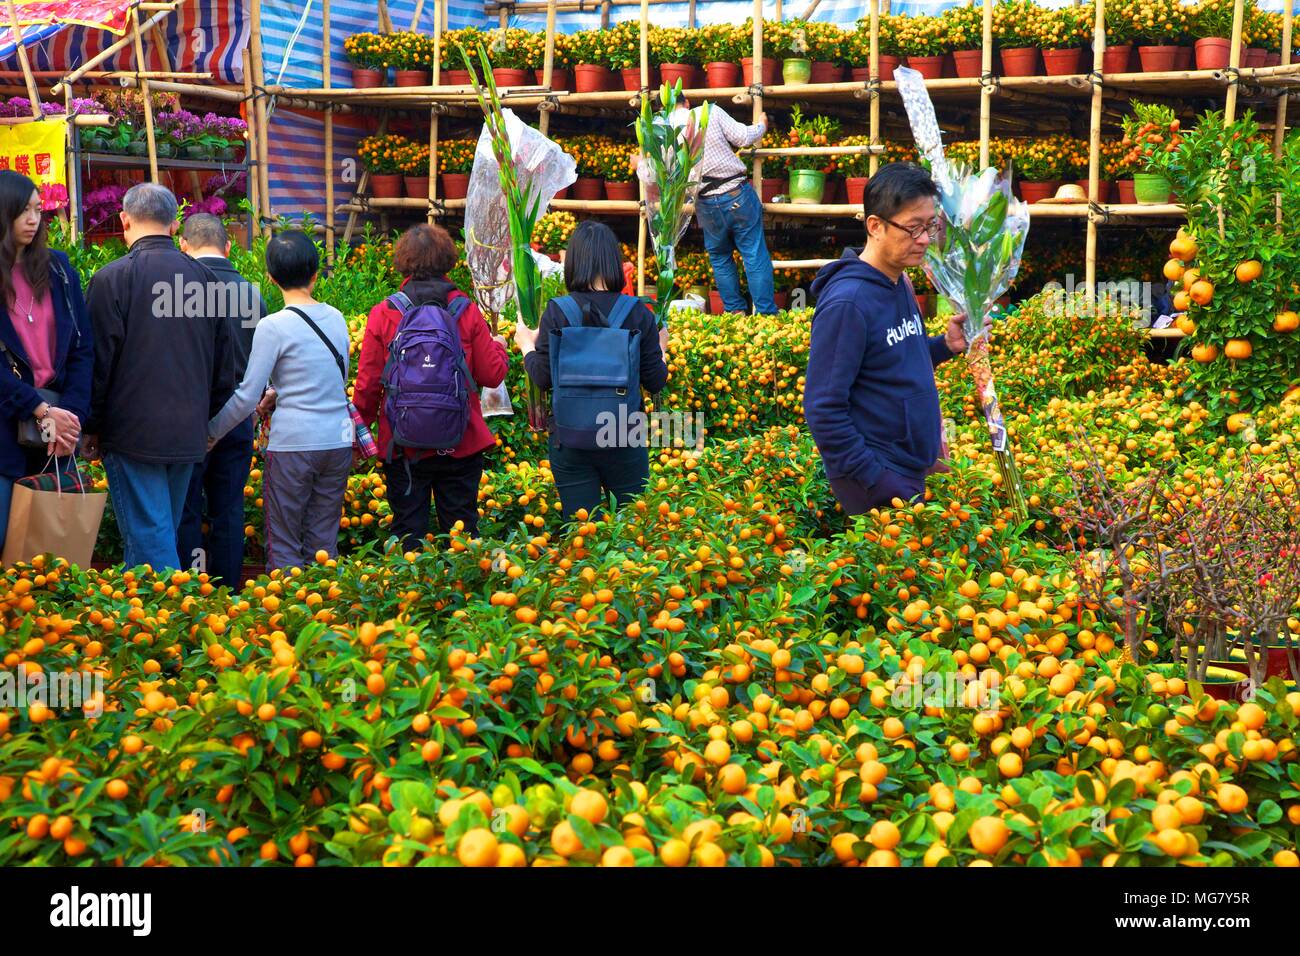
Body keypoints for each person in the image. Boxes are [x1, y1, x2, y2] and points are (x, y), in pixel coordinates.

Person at [803, 163, 968, 516]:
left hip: (909, 470)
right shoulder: (848, 304)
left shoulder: (898, 282)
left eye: (930, 226)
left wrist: (945, 345)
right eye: (913, 228)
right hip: (883, 484)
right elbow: (823, 408)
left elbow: (893, 357)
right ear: (875, 226)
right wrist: (876, 479)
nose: (924, 239)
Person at [84, 183, 233, 572]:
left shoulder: (112, 279)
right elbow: (225, 366)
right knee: (160, 531)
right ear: (173, 223)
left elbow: (98, 364)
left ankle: (167, 625)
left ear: (125, 220)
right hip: (188, 430)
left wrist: (92, 425)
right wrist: (206, 418)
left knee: (150, 539)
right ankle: (162, 621)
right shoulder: (206, 280)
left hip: (132, 432)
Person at [353, 223, 508, 550]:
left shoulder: (384, 312)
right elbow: (492, 375)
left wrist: (360, 437)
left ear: (403, 260)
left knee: (408, 534)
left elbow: (367, 386)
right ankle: (462, 598)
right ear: (448, 260)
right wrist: (499, 347)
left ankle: (410, 598)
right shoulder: (464, 309)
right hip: (461, 442)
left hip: (403, 445)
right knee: (462, 537)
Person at [208, 230, 352, 572]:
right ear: (316, 274)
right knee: (323, 542)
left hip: (294, 445)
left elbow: (246, 396)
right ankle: (327, 612)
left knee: (286, 542)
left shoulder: (274, 326)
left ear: (271, 277)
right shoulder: (336, 317)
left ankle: (290, 616)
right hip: (337, 441)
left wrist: (211, 433)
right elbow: (332, 380)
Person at [515, 220, 669, 520]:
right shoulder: (637, 311)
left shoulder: (558, 311)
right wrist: (661, 348)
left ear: (573, 262)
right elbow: (655, 380)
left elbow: (543, 377)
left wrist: (525, 345)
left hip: (570, 439)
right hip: (624, 437)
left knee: (581, 536)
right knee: (632, 535)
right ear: (613, 260)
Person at [0, 170, 94, 553]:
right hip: (7, 428)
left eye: (38, 209)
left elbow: (82, 349)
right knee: (6, 538)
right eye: (22, 211)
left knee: (51, 549)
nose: (33, 219)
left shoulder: (57, 269)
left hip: (57, 432)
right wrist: (38, 408)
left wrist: (69, 417)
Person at [176, 213, 267, 587]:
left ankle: (190, 587)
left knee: (186, 509)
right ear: (228, 247)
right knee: (229, 508)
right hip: (237, 416)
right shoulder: (251, 292)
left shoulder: (178, 290)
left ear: (184, 245)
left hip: (189, 417)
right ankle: (228, 590)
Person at [676, 95, 777, 315]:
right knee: (753, 253)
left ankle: (735, 313)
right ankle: (767, 315)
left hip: (706, 203)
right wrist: (761, 125)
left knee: (720, 257)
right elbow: (742, 137)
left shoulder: (666, 131)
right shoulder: (708, 112)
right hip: (735, 194)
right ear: (686, 102)